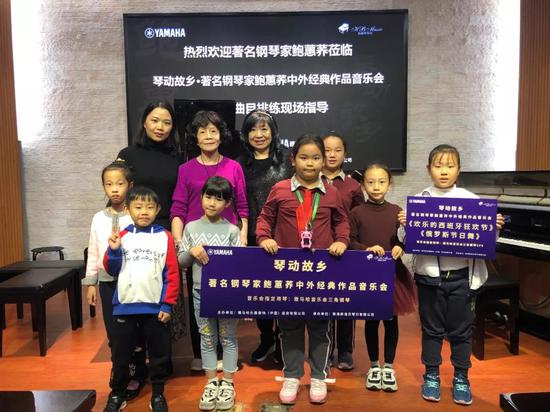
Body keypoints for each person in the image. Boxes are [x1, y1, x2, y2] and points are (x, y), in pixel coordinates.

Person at [398, 144, 504, 406]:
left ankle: (461, 377)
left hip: (462, 278)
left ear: (459, 170)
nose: (444, 171)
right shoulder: (420, 200)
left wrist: (494, 227)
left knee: (461, 331)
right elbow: (407, 242)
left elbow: (486, 242)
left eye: (450, 166)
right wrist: (405, 225)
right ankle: (431, 375)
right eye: (438, 166)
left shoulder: (472, 201)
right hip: (429, 278)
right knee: (431, 330)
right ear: (428, 169)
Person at [256, 134, 350, 405]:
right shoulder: (280, 189)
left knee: (320, 326)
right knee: (289, 326)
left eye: (316, 158)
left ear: (323, 160)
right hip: (288, 272)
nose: (310, 163)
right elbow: (265, 218)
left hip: (321, 271)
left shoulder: (332, 192)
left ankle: (319, 376)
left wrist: (342, 241)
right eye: (304, 157)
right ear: (293, 159)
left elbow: (341, 222)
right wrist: (264, 238)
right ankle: (292, 376)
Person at [171, 110, 249, 371]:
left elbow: (242, 206)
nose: (208, 136)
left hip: (227, 240)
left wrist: (242, 240)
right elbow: (178, 207)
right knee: (198, 295)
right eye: (202, 131)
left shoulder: (234, 167)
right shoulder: (185, 169)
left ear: (221, 135)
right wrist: (182, 243)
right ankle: (202, 354)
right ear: (195, 137)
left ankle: (226, 359)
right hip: (195, 242)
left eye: (213, 131)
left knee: (226, 296)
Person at [117, 100, 186, 382]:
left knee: (163, 292)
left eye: (167, 122)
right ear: (144, 122)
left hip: (165, 230)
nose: (160, 127)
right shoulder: (127, 154)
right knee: (137, 290)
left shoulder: (178, 157)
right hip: (134, 231)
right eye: (155, 120)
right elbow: (118, 192)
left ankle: (161, 358)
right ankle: (136, 361)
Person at [102, 186, 179, 412]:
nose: (144, 212)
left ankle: (157, 394)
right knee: (121, 354)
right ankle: (117, 393)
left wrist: (167, 304)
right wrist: (114, 250)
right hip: (125, 307)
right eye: (138, 207)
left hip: (155, 309)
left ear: (158, 209)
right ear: (128, 209)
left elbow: (171, 274)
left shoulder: (164, 237)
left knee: (158, 354)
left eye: (149, 207)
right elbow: (111, 269)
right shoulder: (122, 236)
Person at [349, 163, 416, 393]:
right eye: (370, 182)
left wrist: (401, 247)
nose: (376, 187)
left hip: (393, 275)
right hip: (368, 276)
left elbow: (405, 239)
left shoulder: (397, 211)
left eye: (381, 182)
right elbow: (350, 241)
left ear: (389, 184)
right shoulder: (356, 213)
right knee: (371, 321)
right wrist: (366, 249)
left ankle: (388, 367)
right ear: (363, 184)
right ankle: (374, 366)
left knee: (391, 322)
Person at [178, 176, 242, 411]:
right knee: (206, 338)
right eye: (208, 196)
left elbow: (239, 264)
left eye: (219, 199)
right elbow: (181, 262)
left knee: (228, 338)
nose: (212, 203)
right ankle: (211, 382)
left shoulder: (232, 230)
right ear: (201, 197)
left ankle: (228, 383)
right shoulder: (191, 227)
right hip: (200, 293)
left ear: (228, 203)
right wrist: (191, 252)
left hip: (226, 294)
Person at [238, 109, 293, 365]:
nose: (258, 135)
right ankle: (266, 338)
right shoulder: (239, 164)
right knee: (259, 292)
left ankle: (284, 342)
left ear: (273, 132)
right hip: (252, 235)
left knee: (283, 291)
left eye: (264, 129)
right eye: (252, 129)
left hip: (284, 234)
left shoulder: (288, 160)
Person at [321, 132, 364, 371]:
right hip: (320, 250)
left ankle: (346, 350)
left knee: (346, 301)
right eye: (327, 150)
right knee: (324, 301)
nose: (332, 154)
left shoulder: (353, 185)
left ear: (345, 154)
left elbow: (360, 218)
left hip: (347, 250)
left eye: (337, 150)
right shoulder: (312, 181)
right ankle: (325, 350)